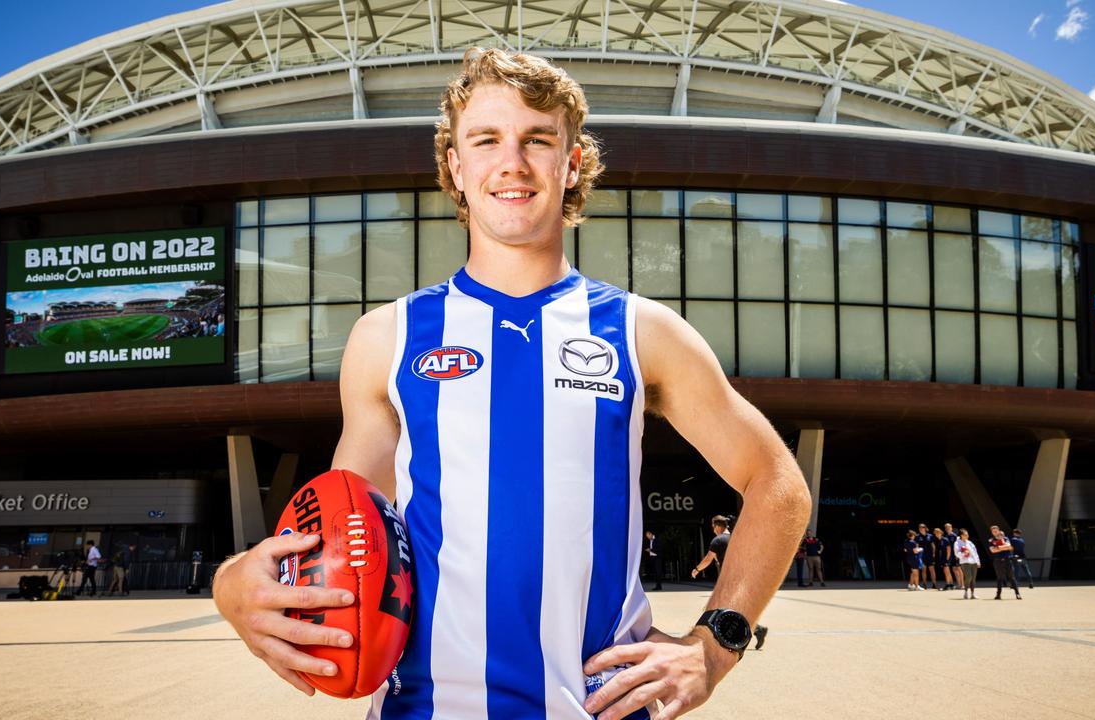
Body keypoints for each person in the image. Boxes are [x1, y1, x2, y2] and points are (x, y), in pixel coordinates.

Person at [211, 48, 810, 720]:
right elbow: (346, 532)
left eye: (538, 140)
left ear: (572, 162)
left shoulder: (643, 332)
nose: (513, 163)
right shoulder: (387, 339)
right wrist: (233, 581)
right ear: (456, 168)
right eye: (487, 139)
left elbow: (778, 484)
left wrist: (716, 643)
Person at [689, 516, 769, 651]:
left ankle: (753, 630)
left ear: (717, 526)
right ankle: (754, 630)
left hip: (729, 580)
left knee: (721, 608)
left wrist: (696, 570)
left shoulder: (718, 540)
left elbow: (708, 559)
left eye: (713, 526)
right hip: (741, 578)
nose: (713, 530)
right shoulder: (736, 537)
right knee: (732, 609)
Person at [988, 525, 1022, 600]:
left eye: (996, 531)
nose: (995, 532)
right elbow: (992, 550)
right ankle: (998, 595)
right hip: (998, 561)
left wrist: (999, 547)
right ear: (992, 532)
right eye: (993, 531)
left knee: (1011, 577)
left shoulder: (1005, 538)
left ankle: (1017, 594)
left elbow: (1010, 547)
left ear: (999, 530)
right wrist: (1004, 547)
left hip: (1008, 560)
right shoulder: (991, 540)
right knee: (1000, 578)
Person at [953, 528, 980, 599]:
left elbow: (975, 552)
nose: (967, 536)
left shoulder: (970, 542)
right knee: (968, 577)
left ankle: (972, 594)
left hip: (973, 562)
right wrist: (964, 553)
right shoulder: (957, 543)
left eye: (967, 535)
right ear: (961, 535)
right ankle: (965, 592)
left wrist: (978, 561)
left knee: (973, 579)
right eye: (965, 535)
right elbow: (956, 553)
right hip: (965, 562)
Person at [916, 523, 937, 589]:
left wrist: (934, 553)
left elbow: (933, 545)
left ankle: (934, 584)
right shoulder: (917, 536)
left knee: (932, 570)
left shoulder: (930, 536)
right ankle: (924, 584)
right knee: (923, 570)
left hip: (930, 555)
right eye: (920, 528)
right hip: (922, 556)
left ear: (925, 528)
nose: (921, 529)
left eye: (922, 528)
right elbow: (917, 546)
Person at [944, 522, 963, 591]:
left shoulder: (955, 536)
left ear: (951, 528)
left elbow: (959, 546)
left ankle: (962, 584)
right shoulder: (945, 537)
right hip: (950, 556)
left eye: (949, 527)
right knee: (954, 570)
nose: (948, 529)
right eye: (946, 528)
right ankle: (958, 584)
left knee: (959, 569)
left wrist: (957, 555)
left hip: (956, 555)